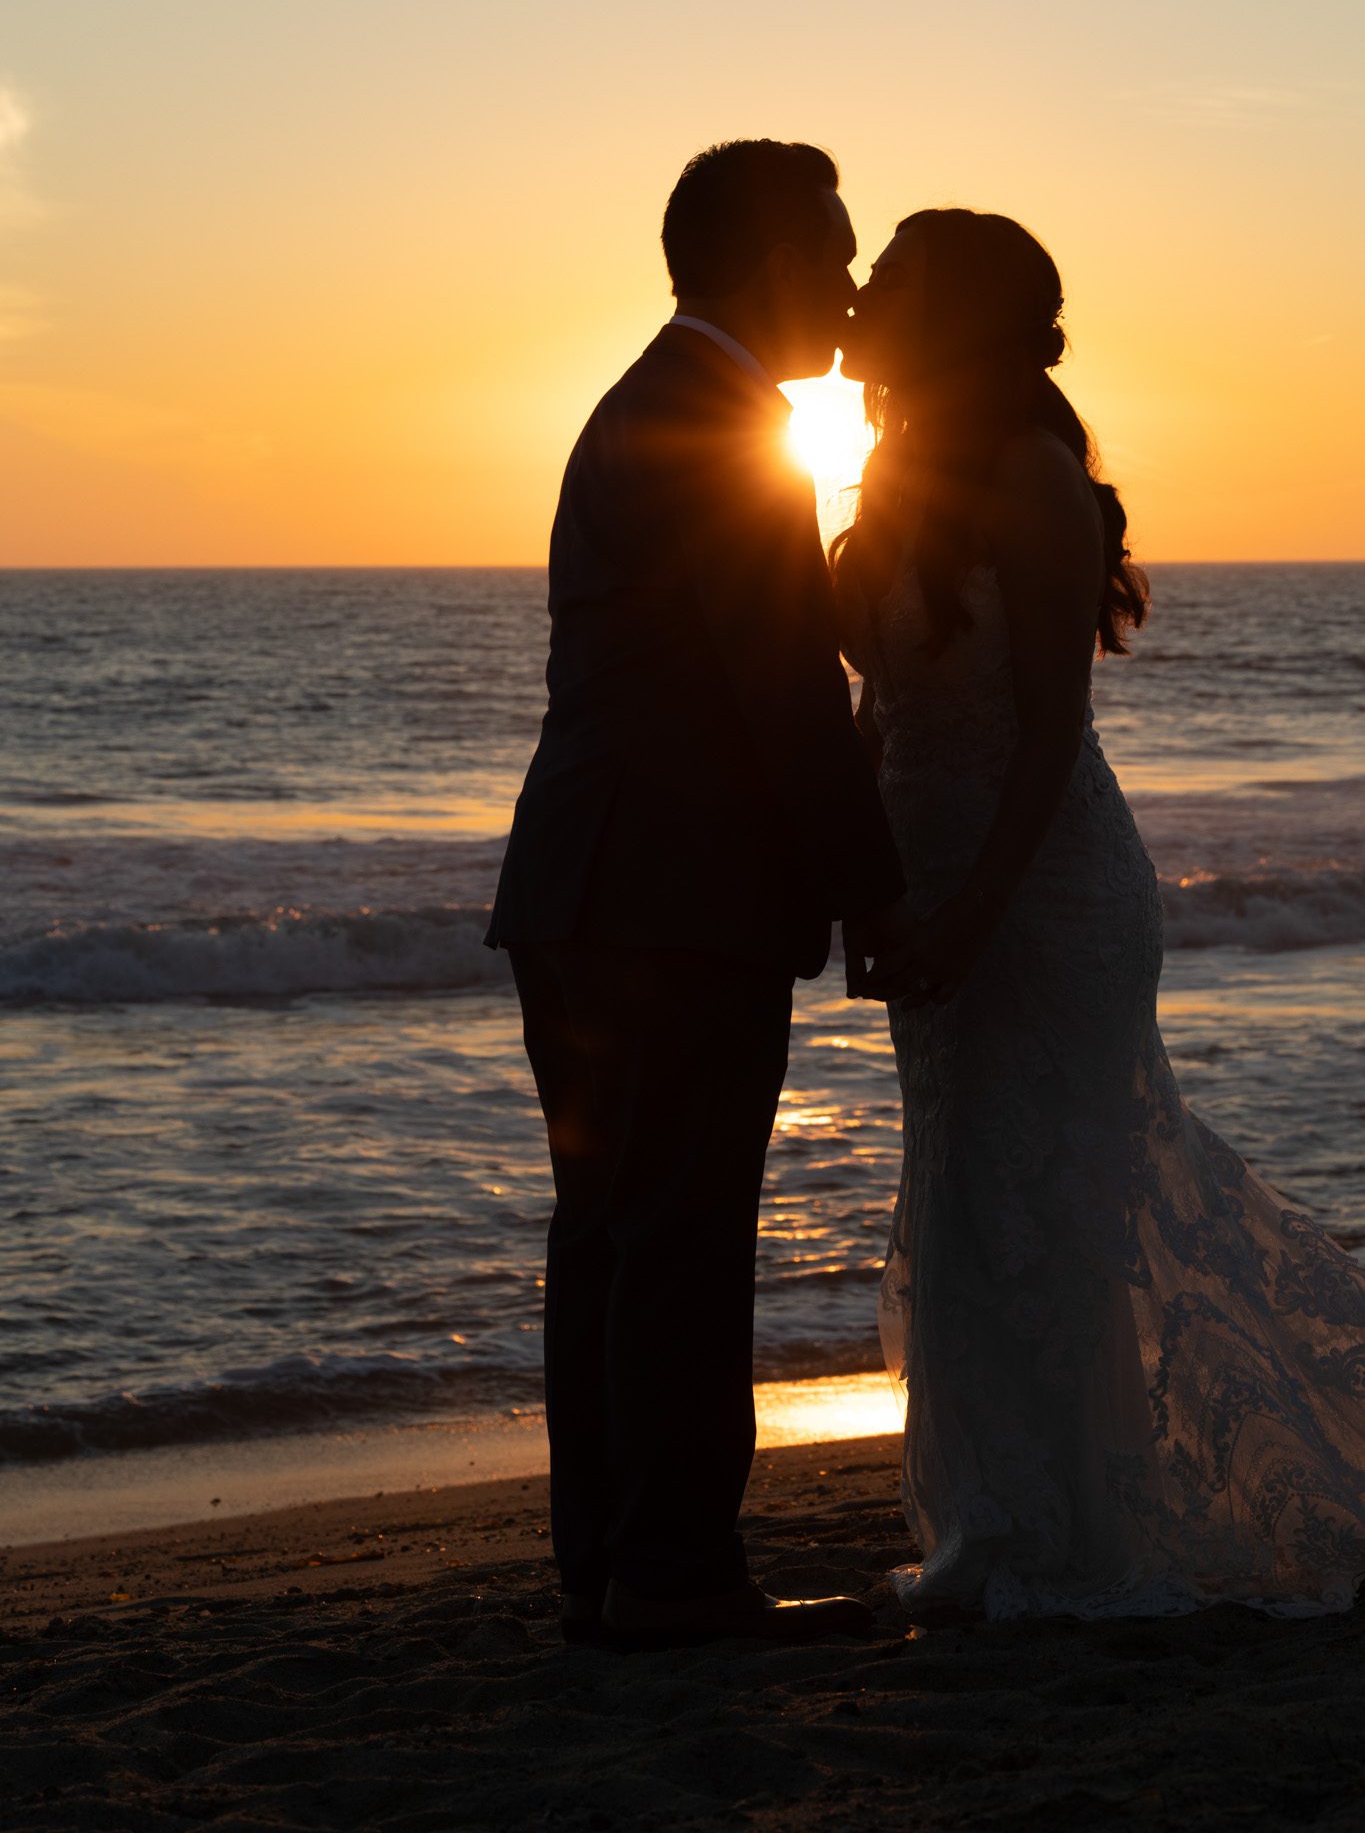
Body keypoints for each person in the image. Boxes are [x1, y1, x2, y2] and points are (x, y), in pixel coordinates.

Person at [835, 207, 1365, 1622]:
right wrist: (873, 886)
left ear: (948, 316)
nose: (864, 289)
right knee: (957, 1209)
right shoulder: (893, 473)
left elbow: (1047, 738)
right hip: (937, 887)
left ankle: (1063, 1540)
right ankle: (985, 1523)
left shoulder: (1031, 479)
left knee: (1047, 1215)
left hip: (1046, 895)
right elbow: (876, 703)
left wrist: (968, 915)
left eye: (889, 273)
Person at [487, 140, 917, 1646]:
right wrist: (884, 895)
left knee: (608, 1230)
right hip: (670, 896)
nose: (853, 284)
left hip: (584, 882)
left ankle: (607, 1563)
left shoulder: (649, 402)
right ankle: (671, 1576)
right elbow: (783, 692)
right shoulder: (715, 421)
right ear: (766, 261)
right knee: (674, 1233)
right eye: (837, 253)